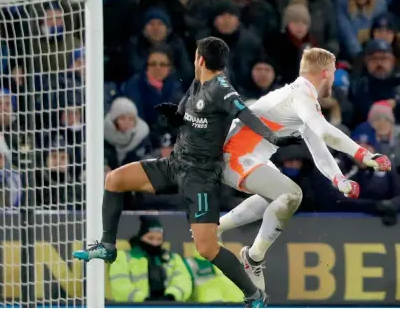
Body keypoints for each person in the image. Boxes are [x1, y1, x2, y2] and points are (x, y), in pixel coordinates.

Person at [74, 37, 303, 307]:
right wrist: (175, 115)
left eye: (196, 55)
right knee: (114, 180)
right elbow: (186, 114)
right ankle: (108, 246)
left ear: (201, 59)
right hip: (174, 165)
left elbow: (246, 115)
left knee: (206, 248)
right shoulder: (198, 82)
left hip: (201, 177)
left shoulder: (222, 89)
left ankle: (254, 295)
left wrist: (274, 138)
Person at [217, 47, 393, 292]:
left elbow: (317, 146)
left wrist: (339, 179)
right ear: (324, 73)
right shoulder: (301, 95)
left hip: (249, 157)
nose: (333, 79)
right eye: (332, 73)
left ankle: (217, 228)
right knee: (291, 194)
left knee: (276, 199)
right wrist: (363, 154)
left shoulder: (299, 101)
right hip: (236, 156)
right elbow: (324, 131)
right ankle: (253, 258)